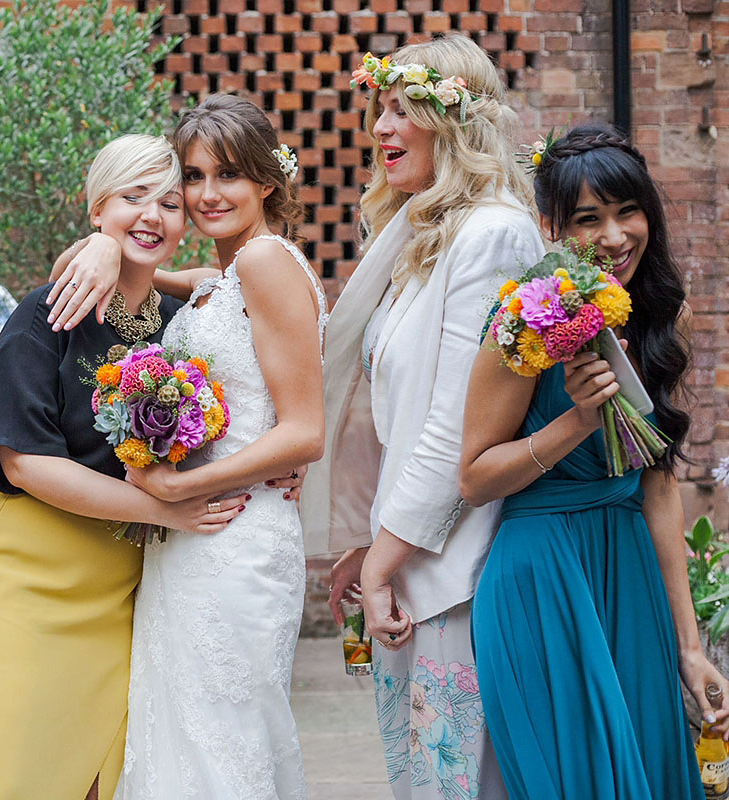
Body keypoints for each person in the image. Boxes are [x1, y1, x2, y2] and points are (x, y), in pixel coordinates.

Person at [0, 133, 258, 800]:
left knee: (86, 778)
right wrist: (166, 511)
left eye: (168, 202)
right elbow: (21, 464)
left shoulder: (179, 325)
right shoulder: (49, 310)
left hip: (118, 588)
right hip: (16, 577)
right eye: (132, 198)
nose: (152, 216)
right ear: (96, 207)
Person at [301, 35, 544, 799]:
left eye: (402, 108)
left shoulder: (494, 233)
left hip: (458, 575)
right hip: (415, 562)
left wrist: (383, 561)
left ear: (456, 121)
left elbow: (455, 427)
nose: (379, 127)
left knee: (461, 785)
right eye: (379, 107)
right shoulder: (420, 237)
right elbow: (393, 416)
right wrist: (378, 545)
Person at [460, 123, 728, 799]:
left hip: (631, 572)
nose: (614, 237)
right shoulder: (523, 318)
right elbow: (474, 476)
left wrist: (689, 647)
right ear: (552, 227)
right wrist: (578, 422)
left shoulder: (665, 318)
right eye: (589, 219)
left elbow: (659, 487)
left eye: (627, 212)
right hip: (541, 577)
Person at [91, 94, 326, 799]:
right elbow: (171, 278)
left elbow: (303, 430)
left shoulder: (262, 261)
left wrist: (174, 489)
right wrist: (104, 241)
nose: (207, 194)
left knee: (222, 742)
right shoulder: (223, 277)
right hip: (197, 538)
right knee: (187, 737)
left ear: (267, 181)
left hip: (231, 533)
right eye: (192, 177)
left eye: (228, 174)